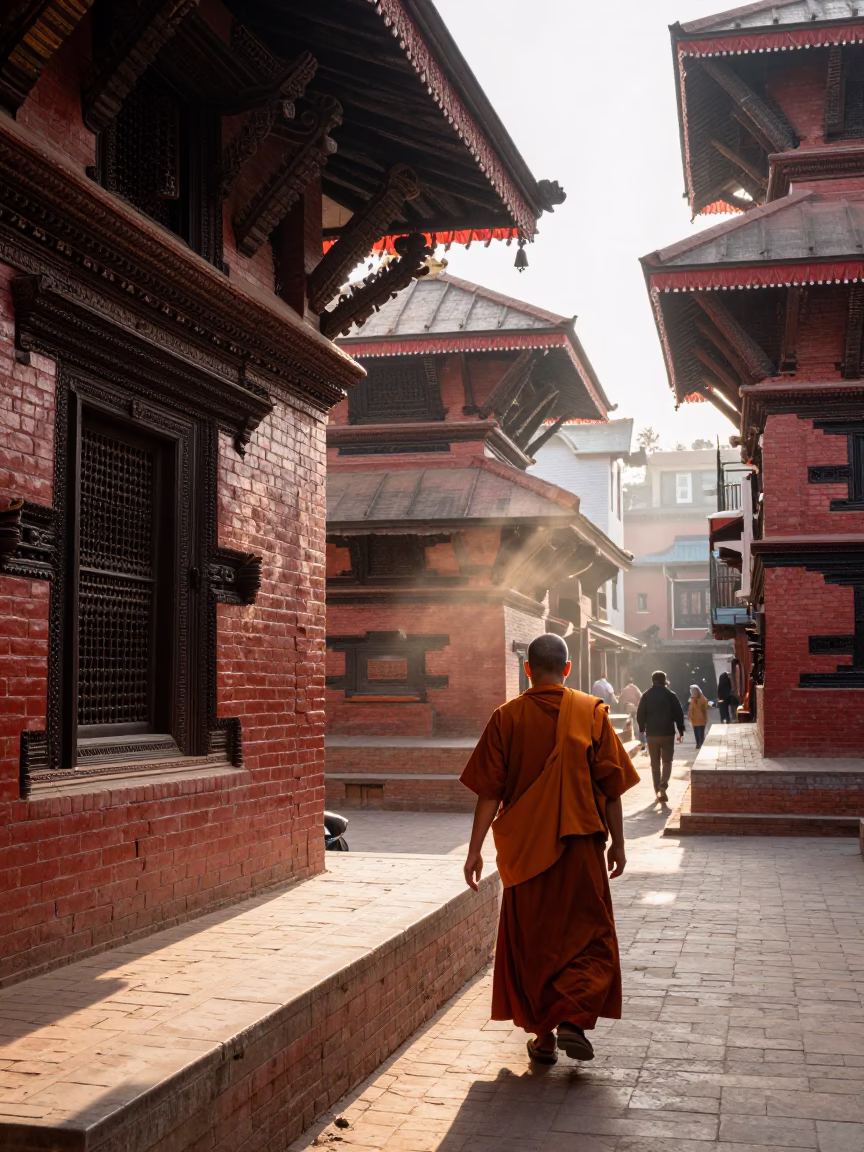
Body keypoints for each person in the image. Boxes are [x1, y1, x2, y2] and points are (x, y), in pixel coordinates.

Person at [460, 634, 639, 1066]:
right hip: (581, 847)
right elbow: (611, 787)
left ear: (527, 669)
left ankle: (544, 1039)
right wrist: (619, 843)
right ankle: (573, 1020)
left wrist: (474, 850)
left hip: (526, 852)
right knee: (588, 935)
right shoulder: (590, 713)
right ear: (567, 668)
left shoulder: (507, 717)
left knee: (534, 939)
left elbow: (488, 791)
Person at [635, 670, 684, 804]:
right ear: (664, 680)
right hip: (668, 733)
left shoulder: (646, 695)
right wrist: (681, 730)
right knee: (667, 761)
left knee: (655, 763)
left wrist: (642, 728)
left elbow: (640, 714)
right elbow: (679, 713)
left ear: (653, 681)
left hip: (652, 734)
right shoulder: (670, 695)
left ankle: (657, 788)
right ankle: (663, 785)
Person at [618, 677, 645, 751]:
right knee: (636, 724)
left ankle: (628, 740)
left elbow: (621, 699)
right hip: (634, 708)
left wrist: (621, 709)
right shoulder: (636, 688)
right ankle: (641, 742)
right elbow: (641, 697)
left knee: (627, 724)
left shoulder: (625, 689)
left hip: (627, 709)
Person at [688, 684, 709, 750]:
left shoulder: (703, 699)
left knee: (700, 733)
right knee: (696, 733)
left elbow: (706, 706)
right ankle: (698, 744)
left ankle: (701, 744)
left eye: (695, 691)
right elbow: (690, 709)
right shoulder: (691, 700)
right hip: (694, 720)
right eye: (693, 691)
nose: (694, 693)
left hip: (701, 719)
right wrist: (689, 716)